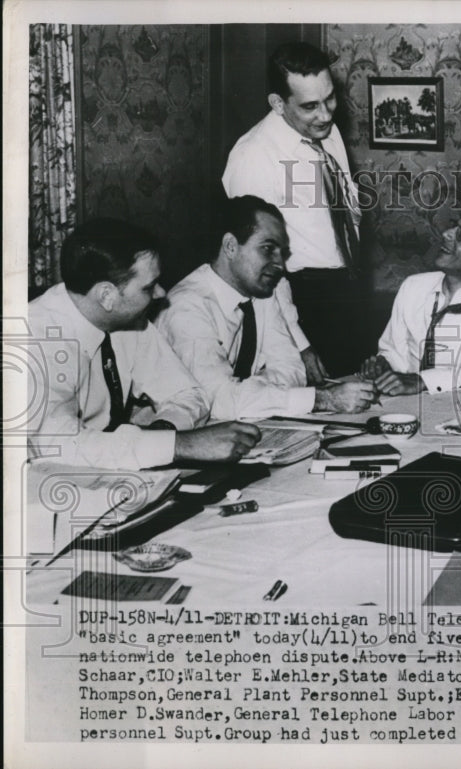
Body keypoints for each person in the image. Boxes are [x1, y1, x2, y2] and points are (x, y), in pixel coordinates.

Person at [27, 219, 261, 470]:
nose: (161, 294)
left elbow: (189, 394)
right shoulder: (36, 340)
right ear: (107, 296)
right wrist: (180, 445)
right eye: (149, 287)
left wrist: (162, 432)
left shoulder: (125, 319)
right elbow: (61, 447)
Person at [157, 196, 376, 420]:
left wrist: (247, 396)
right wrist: (322, 399)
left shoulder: (261, 292)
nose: (280, 264)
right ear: (230, 246)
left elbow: (292, 369)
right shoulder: (187, 308)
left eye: (282, 252)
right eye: (267, 249)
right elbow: (217, 400)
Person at [222, 41, 366, 377]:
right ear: (277, 103)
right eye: (310, 105)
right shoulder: (253, 157)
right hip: (298, 300)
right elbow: (257, 266)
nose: (326, 114)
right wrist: (300, 343)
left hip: (346, 289)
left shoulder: (325, 133)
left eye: (330, 98)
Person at [360, 215, 461, 396]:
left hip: (458, 402)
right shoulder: (413, 286)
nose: (446, 234)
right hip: (403, 398)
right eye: (452, 227)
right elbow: (393, 350)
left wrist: (423, 381)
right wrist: (383, 364)